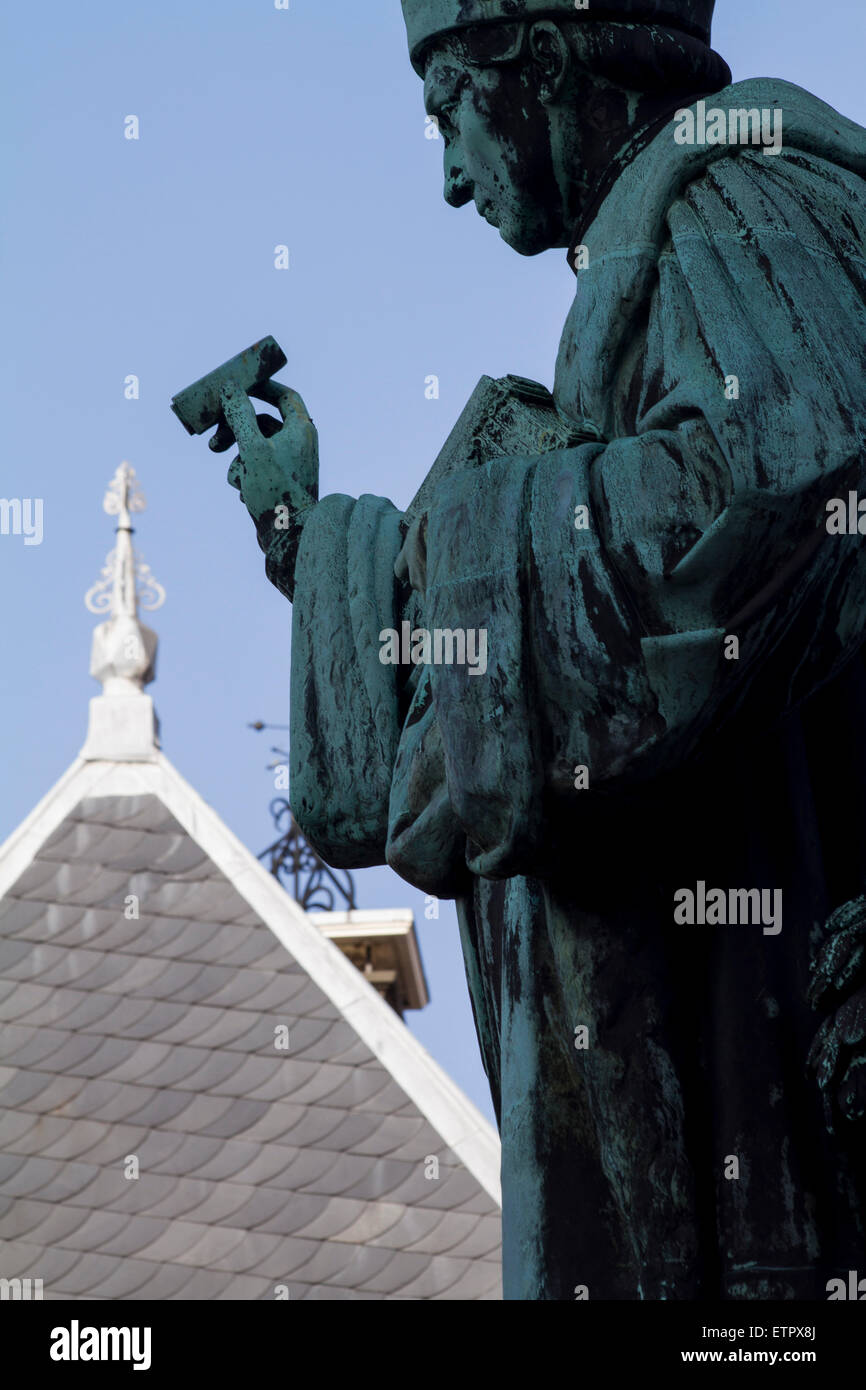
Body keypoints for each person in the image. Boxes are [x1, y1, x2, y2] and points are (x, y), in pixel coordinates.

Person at [216, 1, 866, 1298]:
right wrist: (322, 549)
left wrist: (439, 544)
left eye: (449, 112)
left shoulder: (744, 199)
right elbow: (550, 675)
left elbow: (781, 496)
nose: (449, 175)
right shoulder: (687, 240)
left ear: (545, 64)